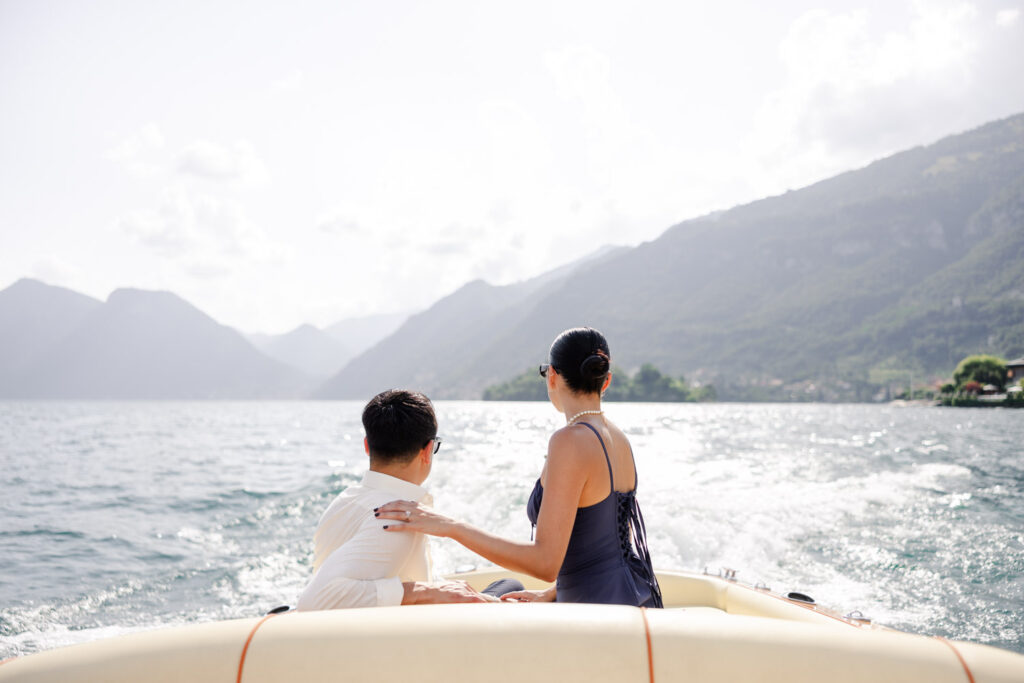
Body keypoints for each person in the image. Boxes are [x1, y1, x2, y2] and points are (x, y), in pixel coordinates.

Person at [376, 327, 663, 607]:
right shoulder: (619, 438)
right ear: (606, 380)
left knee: (492, 593)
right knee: (509, 588)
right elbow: (605, 544)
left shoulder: (570, 441)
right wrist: (551, 593)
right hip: (637, 598)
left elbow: (545, 562)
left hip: (596, 615)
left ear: (551, 375)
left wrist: (450, 526)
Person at [296, 389, 500, 610]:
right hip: (399, 638)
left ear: (366, 446)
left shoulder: (343, 501)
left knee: (504, 586)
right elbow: (313, 602)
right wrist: (424, 592)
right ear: (428, 450)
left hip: (347, 632)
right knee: (511, 587)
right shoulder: (395, 517)